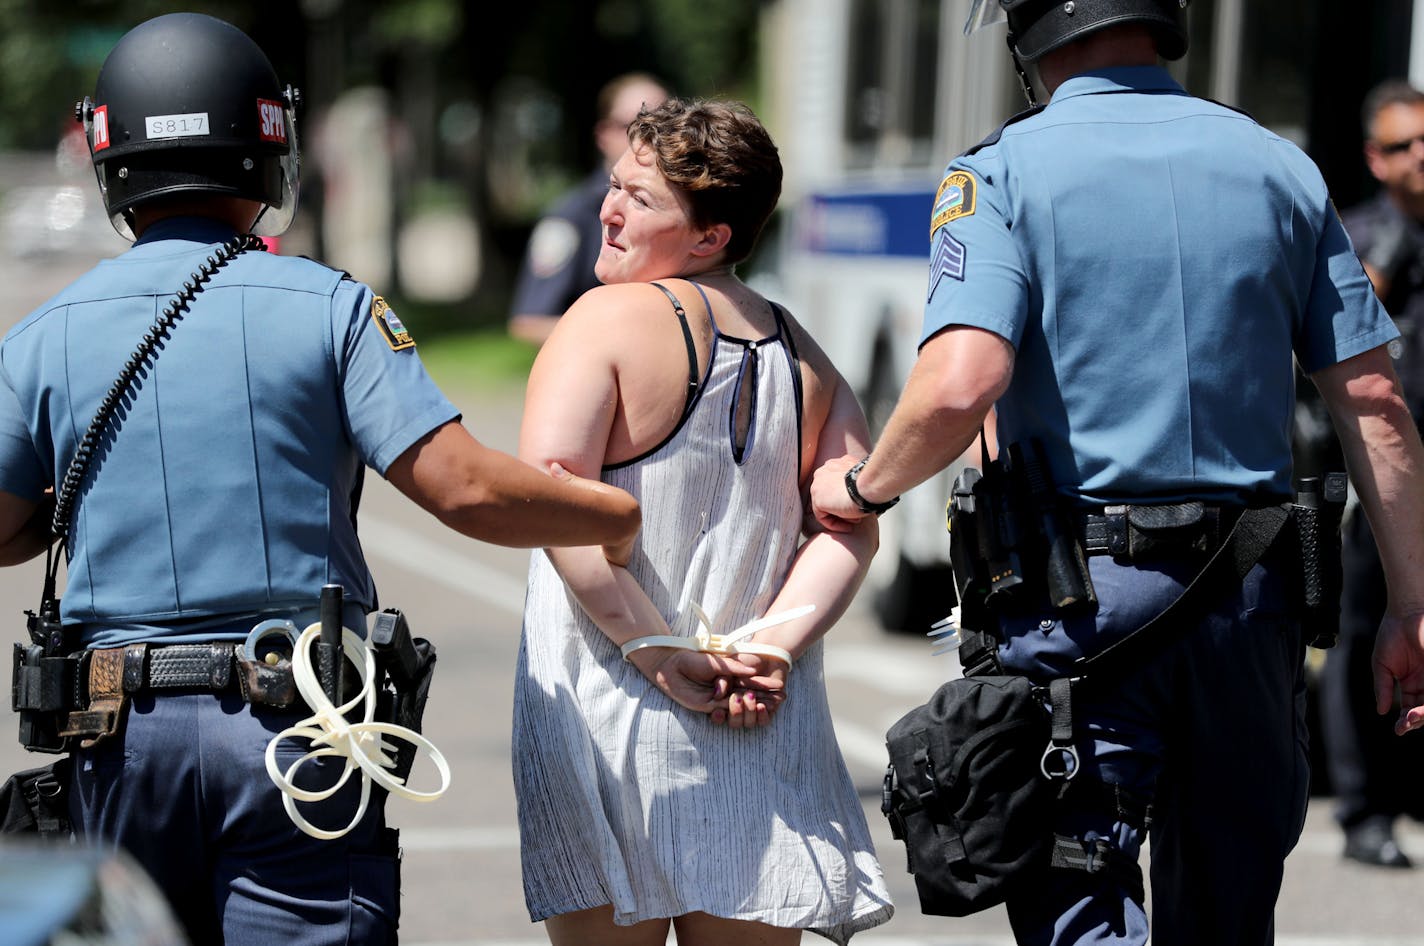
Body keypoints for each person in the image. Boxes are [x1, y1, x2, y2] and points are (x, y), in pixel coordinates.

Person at [0, 13, 639, 946]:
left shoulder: (42, 334)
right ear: (266, 150)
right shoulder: (332, 307)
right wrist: (611, 513)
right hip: (294, 736)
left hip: (116, 740)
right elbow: (464, 488)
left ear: (112, 163)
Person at [810, 2, 1424, 944]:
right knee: (1227, 910)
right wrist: (1411, 605)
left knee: (1078, 900)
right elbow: (1374, 403)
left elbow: (959, 382)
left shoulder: (1000, 171)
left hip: (1079, 608)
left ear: (1029, 39)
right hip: (1250, 600)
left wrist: (861, 490)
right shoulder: (1280, 166)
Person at [512, 98, 894, 945]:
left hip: (610, 706)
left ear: (710, 236)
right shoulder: (802, 350)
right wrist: (772, 648)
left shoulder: (601, 320)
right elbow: (850, 523)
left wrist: (655, 651)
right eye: (615, 187)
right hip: (754, 712)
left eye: (639, 200)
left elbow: (552, 497)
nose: (606, 211)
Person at [1318, 78, 1424, 869]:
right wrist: (1385, 257)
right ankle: (1364, 809)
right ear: (1374, 158)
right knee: (1364, 637)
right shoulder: (1355, 233)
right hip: (1378, 476)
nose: (1419, 159)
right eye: (1401, 145)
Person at [506, 72, 670, 346]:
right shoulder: (570, 216)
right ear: (603, 135)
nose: (650, 138)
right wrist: (628, 334)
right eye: (634, 125)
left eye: (665, 126)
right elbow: (529, 321)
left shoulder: (683, 208)